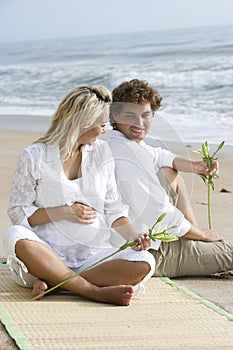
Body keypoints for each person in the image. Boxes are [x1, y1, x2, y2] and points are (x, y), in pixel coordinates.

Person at [3, 84, 155, 306]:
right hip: (44, 257)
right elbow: (17, 212)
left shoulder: (102, 152)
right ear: (81, 122)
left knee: (145, 261)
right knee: (14, 236)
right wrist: (63, 212)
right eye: (101, 124)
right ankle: (93, 292)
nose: (105, 130)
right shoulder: (34, 156)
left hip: (92, 259)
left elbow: (114, 210)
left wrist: (133, 237)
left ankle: (57, 284)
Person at [107, 79, 233, 277]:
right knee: (230, 252)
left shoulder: (123, 143)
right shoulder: (127, 155)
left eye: (146, 115)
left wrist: (196, 167)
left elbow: (162, 156)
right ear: (115, 115)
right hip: (150, 251)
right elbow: (159, 211)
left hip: (154, 238)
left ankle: (193, 238)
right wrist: (202, 235)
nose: (140, 123)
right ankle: (194, 240)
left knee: (169, 169)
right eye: (130, 115)